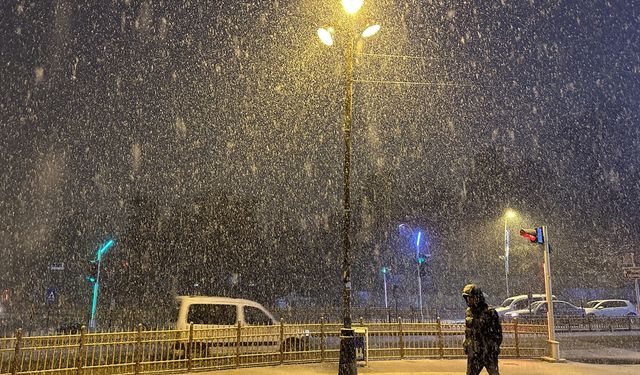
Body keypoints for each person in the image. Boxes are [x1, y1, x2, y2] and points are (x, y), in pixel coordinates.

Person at [462, 283, 503, 375]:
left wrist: (492, 347)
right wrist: (467, 344)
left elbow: (498, 333)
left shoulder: (489, 312)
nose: (469, 300)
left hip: (488, 353)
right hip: (474, 354)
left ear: (477, 298)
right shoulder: (469, 312)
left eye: (471, 297)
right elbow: (468, 331)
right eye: (467, 298)